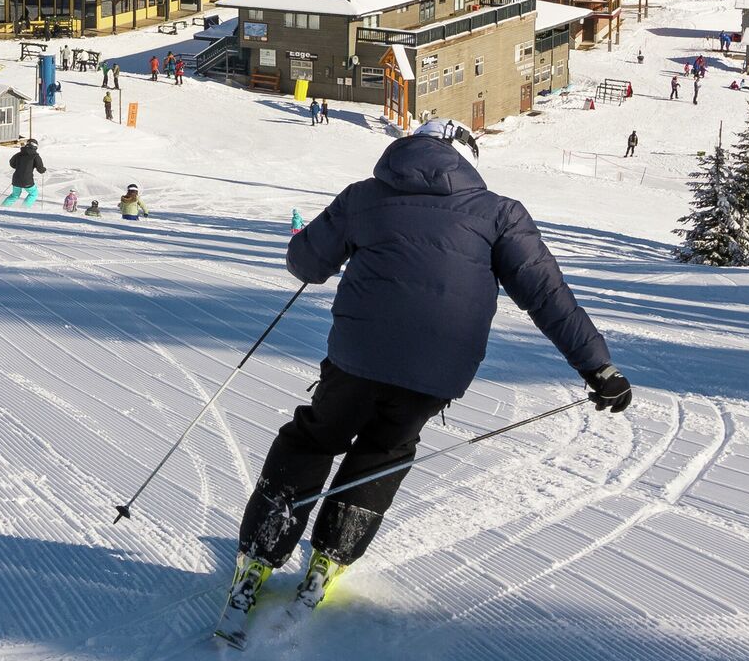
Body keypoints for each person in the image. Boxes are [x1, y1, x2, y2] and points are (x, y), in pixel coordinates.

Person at [224, 120, 632, 620]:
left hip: (358, 355)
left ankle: (260, 554)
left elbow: (305, 264)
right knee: (384, 451)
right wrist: (597, 366)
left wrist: (320, 243)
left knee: (315, 437)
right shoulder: (500, 213)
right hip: (439, 367)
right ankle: (330, 559)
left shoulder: (364, 197)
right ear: (464, 161)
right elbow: (547, 296)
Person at [1, 138, 45, 207]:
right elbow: (40, 169)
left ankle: (3, 207)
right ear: (35, 146)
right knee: (33, 193)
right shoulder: (35, 156)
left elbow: (12, 163)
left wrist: (20, 167)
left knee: (15, 195)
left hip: (16, 178)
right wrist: (43, 170)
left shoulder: (19, 154)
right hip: (27, 180)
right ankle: (24, 208)